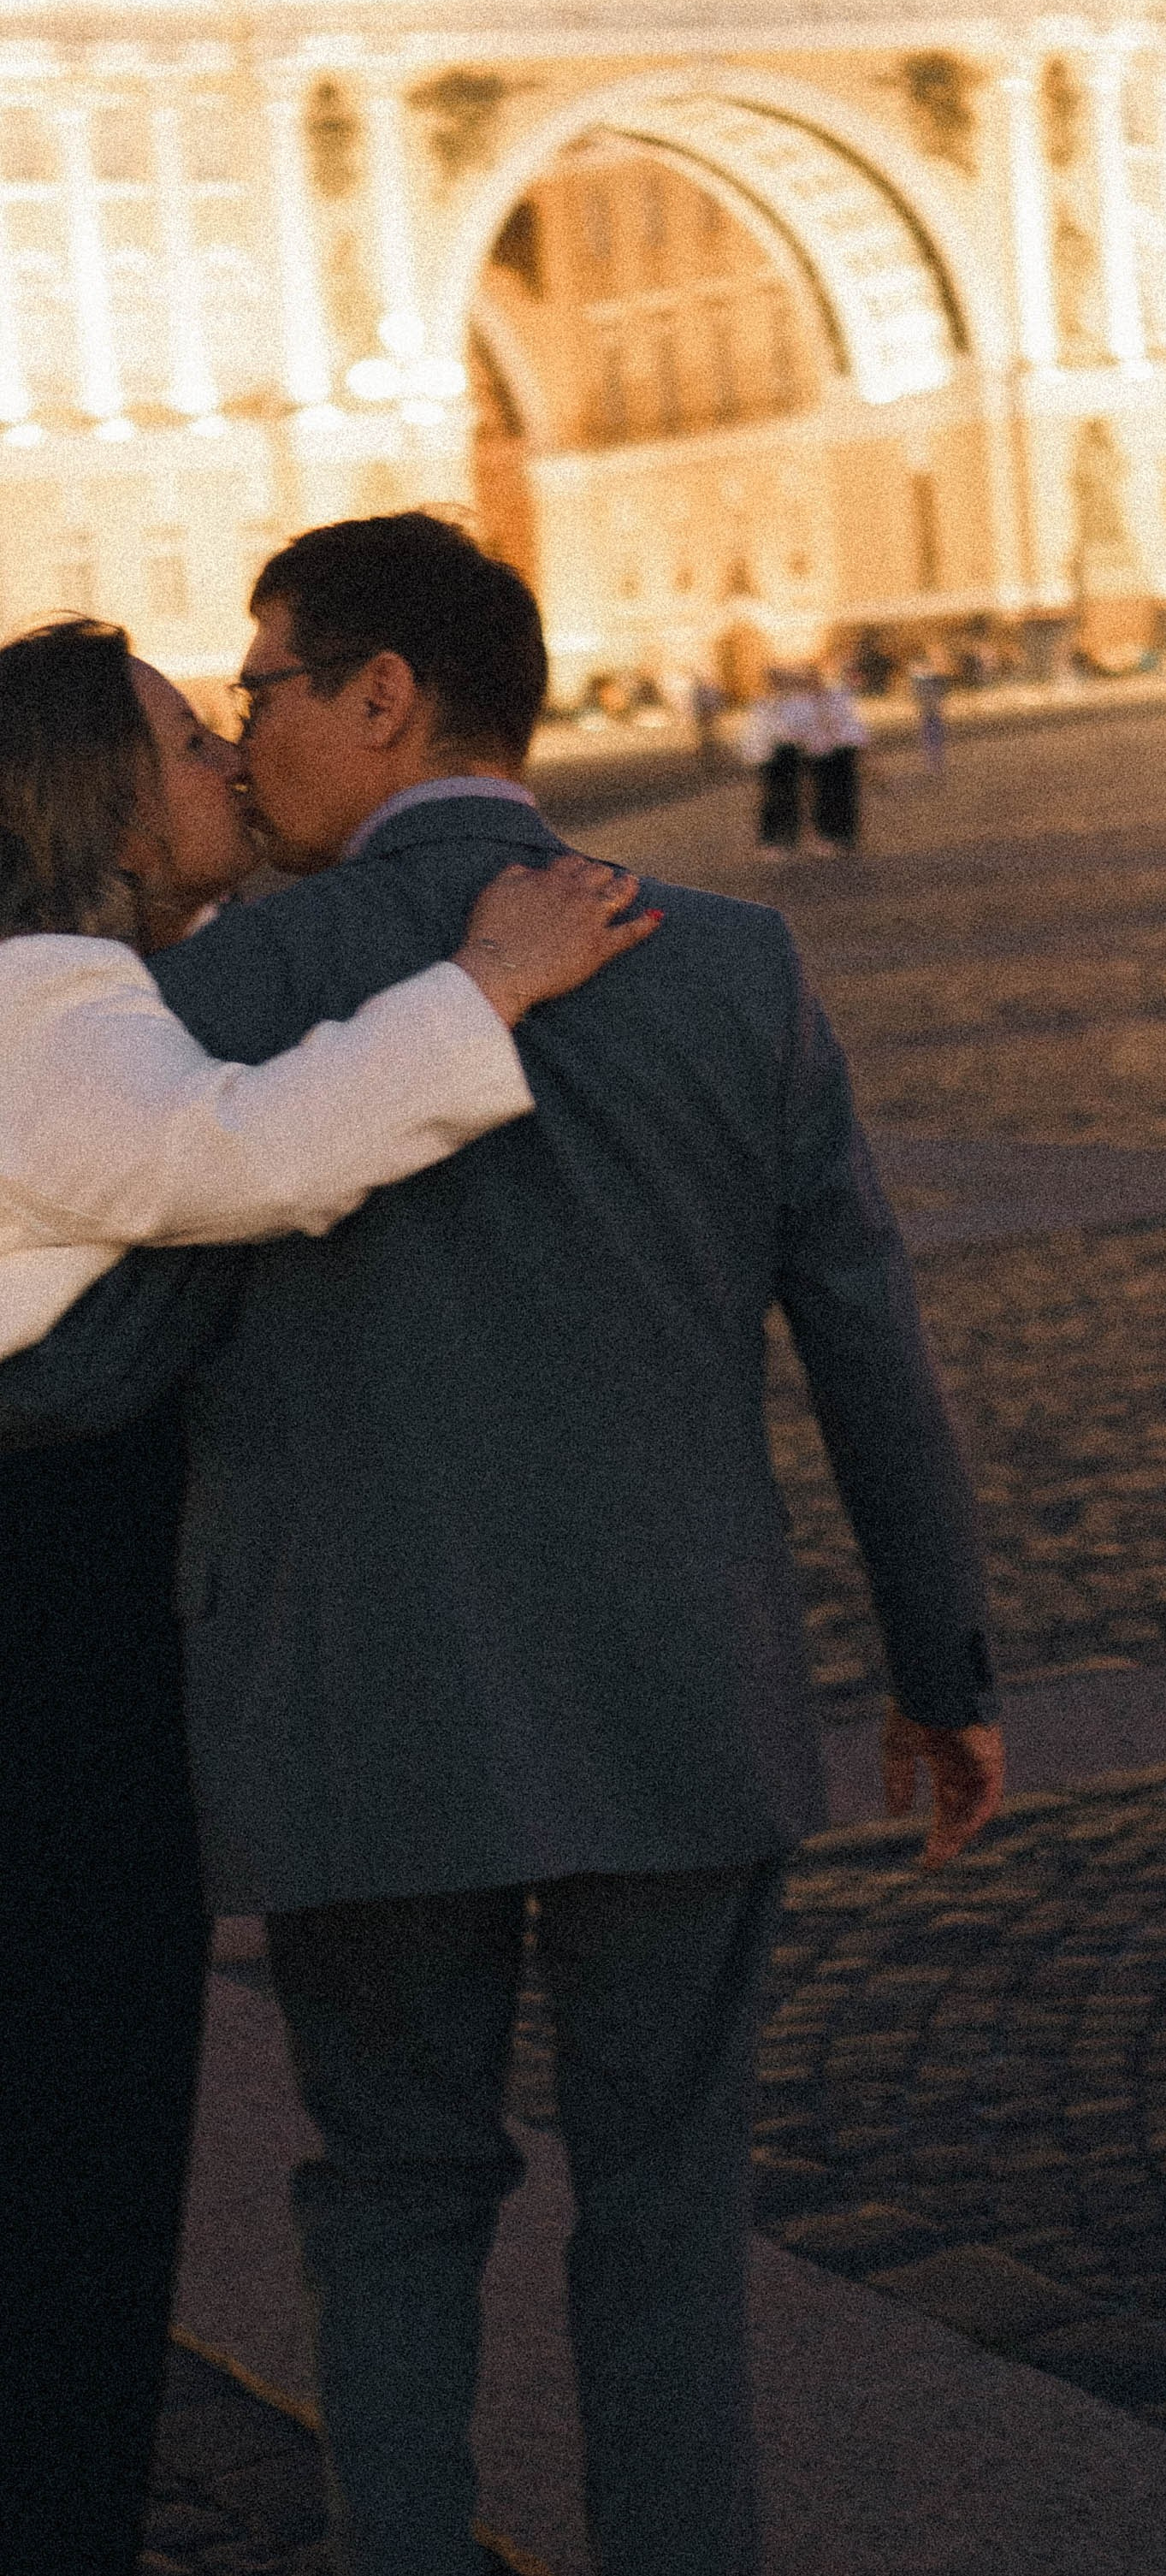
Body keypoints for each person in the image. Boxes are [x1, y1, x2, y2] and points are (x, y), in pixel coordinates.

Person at [0, 513, 1003, 2576]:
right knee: (665, 2203)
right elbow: (869, 1340)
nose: (240, 731)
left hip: (357, 1704)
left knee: (389, 2200)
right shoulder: (738, 961)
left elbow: (115, 1327)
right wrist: (941, 1671)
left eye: (259, 687)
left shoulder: (219, 986)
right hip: (678, 1690)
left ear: (381, 699)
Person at [0, 614, 654, 2576]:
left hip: (58, 1685)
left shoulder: (83, 988)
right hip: (42, 1710)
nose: (220, 760)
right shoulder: (50, 1003)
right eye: (184, 740)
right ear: (98, 797)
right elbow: (258, 1157)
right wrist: (483, 987)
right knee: (70, 2185)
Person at [739, 666, 816, 854]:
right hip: (770, 755)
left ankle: (791, 838)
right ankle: (770, 840)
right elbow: (754, 733)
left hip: (790, 752)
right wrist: (754, 754)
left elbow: (805, 727)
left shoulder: (797, 703)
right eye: (773, 682)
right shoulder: (762, 704)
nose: (776, 685)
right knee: (772, 797)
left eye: (780, 681)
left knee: (793, 795)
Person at [806, 666, 868, 852]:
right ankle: (827, 838)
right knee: (823, 796)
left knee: (846, 794)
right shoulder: (804, 704)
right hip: (819, 754)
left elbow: (852, 722)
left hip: (842, 751)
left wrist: (860, 746)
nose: (813, 684)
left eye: (815, 679)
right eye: (809, 681)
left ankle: (847, 837)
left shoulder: (838, 696)